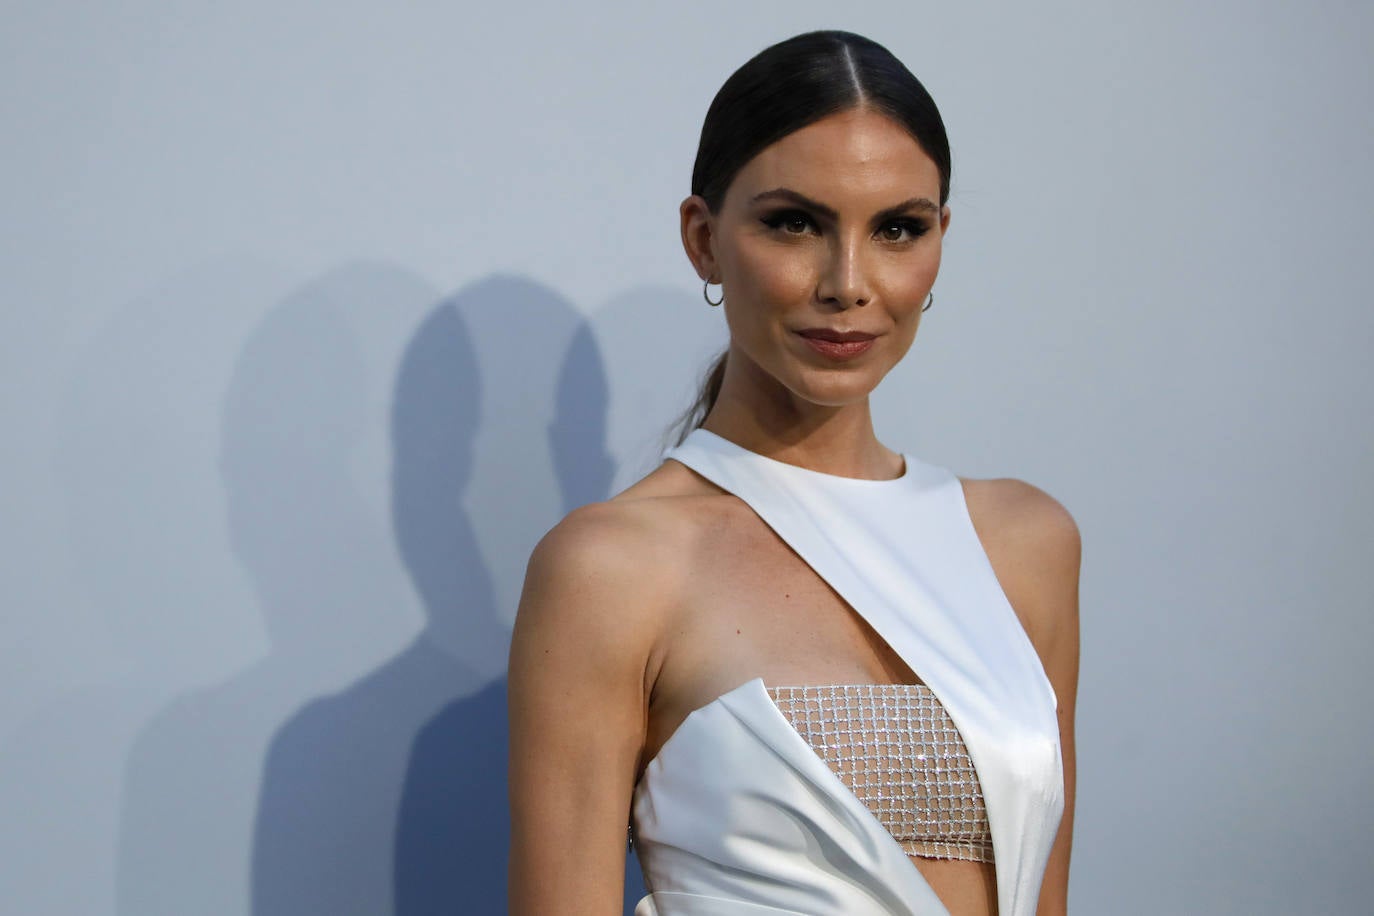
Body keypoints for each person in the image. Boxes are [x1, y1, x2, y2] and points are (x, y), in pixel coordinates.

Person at [507, 29, 1079, 916]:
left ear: (938, 242)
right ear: (703, 239)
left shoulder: (1027, 545)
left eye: (897, 229)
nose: (848, 282)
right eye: (794, 223)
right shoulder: (610, 570)